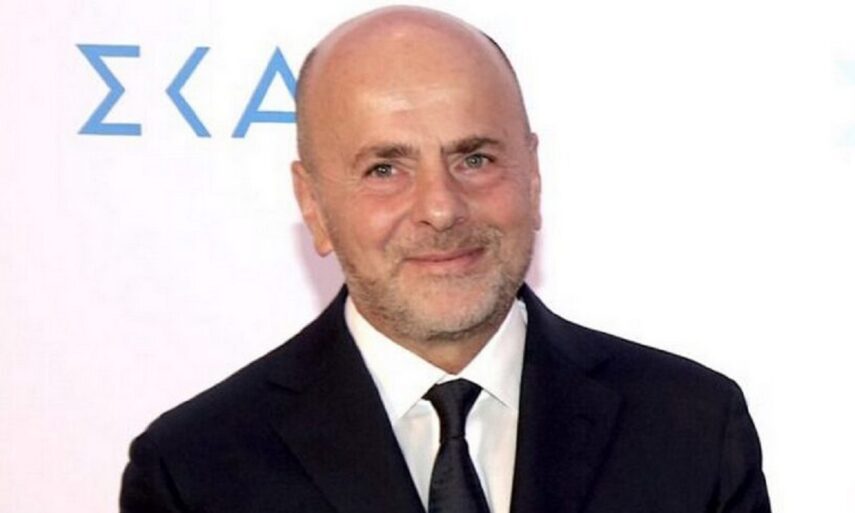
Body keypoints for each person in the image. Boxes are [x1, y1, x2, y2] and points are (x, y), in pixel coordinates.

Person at [120, 6, 771, 513]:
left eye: (475, 158)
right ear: (312, 204)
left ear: (533, 176)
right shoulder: (195, 470)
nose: (440, 207)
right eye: (384, 168)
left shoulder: (690, 426)